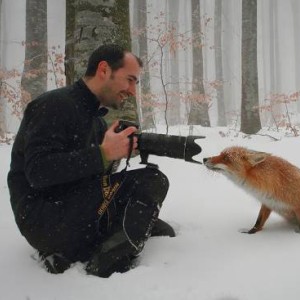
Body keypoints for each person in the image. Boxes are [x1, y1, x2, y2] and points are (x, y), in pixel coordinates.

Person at [7, 44, 175, 278]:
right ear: (104, 70)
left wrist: (114, 156)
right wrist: (103, 154)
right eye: (130, 80)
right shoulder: (53, 105)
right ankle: (106, 265)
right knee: (152, 181)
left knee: (152, 218)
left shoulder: (96, 121)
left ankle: (86, 245)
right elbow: (38, 172)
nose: (132, 90)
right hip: (44, 220)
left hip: (71, 208)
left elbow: (87, 177)